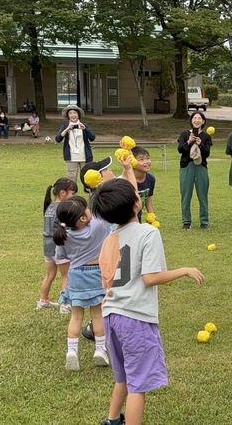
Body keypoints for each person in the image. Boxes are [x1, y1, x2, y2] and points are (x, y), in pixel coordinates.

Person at [92, 178, 204, 425]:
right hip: (135, 319)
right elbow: (151, 277)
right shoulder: (148, 233)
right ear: (137, 204)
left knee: (123, 376)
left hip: (110, 315)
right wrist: (183, 270)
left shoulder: (109, 239)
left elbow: (106, 282)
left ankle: (112, 420)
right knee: (138, 385)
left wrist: (126, 171)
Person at [54, 154, 135, 371]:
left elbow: (62, 257)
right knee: (97, 314)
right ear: (83, 217)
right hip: (96, 273)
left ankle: (72, 350)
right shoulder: (98, 226)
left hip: (77, 275)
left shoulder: (64, 235)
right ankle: (100, 349)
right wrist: (98, 187)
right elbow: (104, 207)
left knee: (76, 315)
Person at [39, 177, 78, 313]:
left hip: (47, 246)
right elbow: (65, 228)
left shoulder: (49, 206)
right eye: (72, 193)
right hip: (58, 246)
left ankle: (43, 300)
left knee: (49, 275)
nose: (74, 197)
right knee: (66, 276)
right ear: (62, 193)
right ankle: (65, 304)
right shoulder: (62, 208)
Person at [176, 111, 213, 229]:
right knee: (186, 194)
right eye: (194, 118)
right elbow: (180, 149)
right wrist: (189, 141)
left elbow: (206, 154)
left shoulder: (206, 136)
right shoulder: (184, 134)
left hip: (200, 166)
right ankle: (186, 221)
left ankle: (204, 221)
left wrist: (200, 144)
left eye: (199, 118)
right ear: (191, 120)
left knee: (202, 195)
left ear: (203, 121)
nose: (197, 120)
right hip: (187, 166)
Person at [55, 105, 96, 183]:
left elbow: (92, 138)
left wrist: (85, 129)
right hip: (71, 157)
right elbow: (58, 139)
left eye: (74, 113)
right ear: (68, 115)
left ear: (78, 114)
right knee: (71, 180)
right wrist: (67, 130)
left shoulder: (84, 125)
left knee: (88, 180)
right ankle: (73, 195)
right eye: (70, 113)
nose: (73, 115)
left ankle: (91, 195)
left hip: (85, 157)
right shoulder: (65, 126)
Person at [132, 147, 156, 223]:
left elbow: (148, 197)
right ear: (132, 162)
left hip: (137, 217)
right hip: (124, 219)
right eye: (141, 159)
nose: (146, 162)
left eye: (148, 158)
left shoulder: (151, 179)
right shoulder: (126, 181)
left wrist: (152, 216)